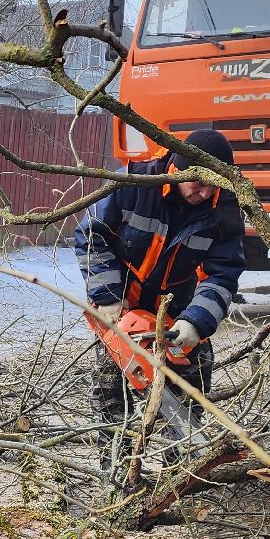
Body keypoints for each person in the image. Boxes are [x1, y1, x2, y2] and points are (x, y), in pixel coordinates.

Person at [73, 128, 246, 420]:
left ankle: (183, 460)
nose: (204, 192)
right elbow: (91, 234)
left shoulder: (224, 211)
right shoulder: (135, 183)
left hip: (178, 312)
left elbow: (224, 272)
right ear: (176, 168)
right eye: (197, 182)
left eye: (212, 186)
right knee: (112, 400)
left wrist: (196, 322)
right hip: (123, 308)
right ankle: (115, 461)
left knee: (191, 395)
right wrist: (108, 296)